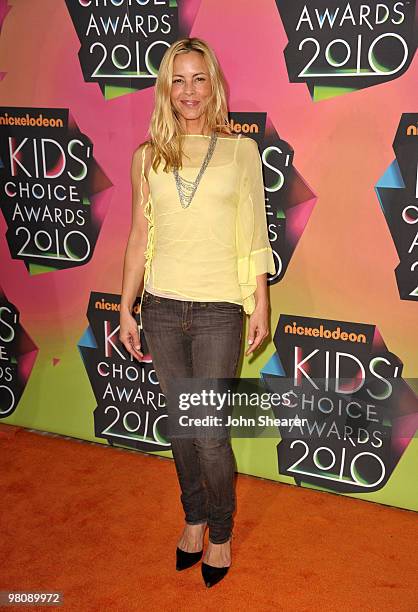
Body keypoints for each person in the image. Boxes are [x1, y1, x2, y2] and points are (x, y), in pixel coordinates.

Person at [119, 37, 275, 588]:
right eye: (179, 80)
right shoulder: (146, 157)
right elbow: (138, 238)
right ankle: (193, 519)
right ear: (167, 88)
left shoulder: (241, 152)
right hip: (160, 308)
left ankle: (223, 532)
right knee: (182, 431)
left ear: (214, 85)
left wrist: (260, 301)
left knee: (208, 432)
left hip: (218, 312)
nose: (189, 91)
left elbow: (255, 233)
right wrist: (125, 306)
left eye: (199, 79)